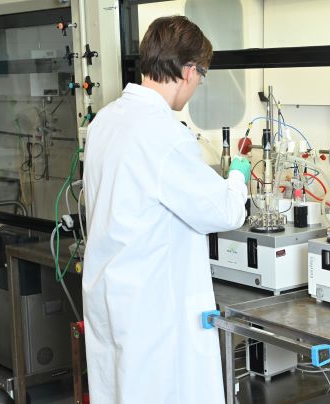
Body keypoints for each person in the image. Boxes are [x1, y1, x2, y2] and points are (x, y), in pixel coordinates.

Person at [82, 15, 251, 404]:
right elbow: (225, 211)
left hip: (111, 295)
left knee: (118, 391)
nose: (197, 85)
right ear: (189, 71)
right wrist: (237, 177)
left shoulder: (105, 121)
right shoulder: (164, 135)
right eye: (201, 76)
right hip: (153, 312)